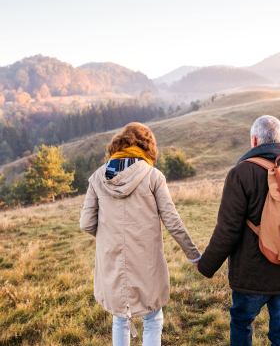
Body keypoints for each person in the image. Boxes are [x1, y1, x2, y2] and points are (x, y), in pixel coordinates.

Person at [197, 115, 280, 346]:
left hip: (252, 275)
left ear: (254, 141)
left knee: (241, 322)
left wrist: (205, 266)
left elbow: (228, 230)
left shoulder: (240, 173)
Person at [79, 122, 201, 346]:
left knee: (119, 319)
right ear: (148, 146)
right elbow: (173, 222)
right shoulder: (153, 176)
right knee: (153, 318)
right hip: (147, 262)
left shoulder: (97, 177)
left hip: (112, 261)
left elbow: (86, 223)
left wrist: (111, 235)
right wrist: (194, 255)